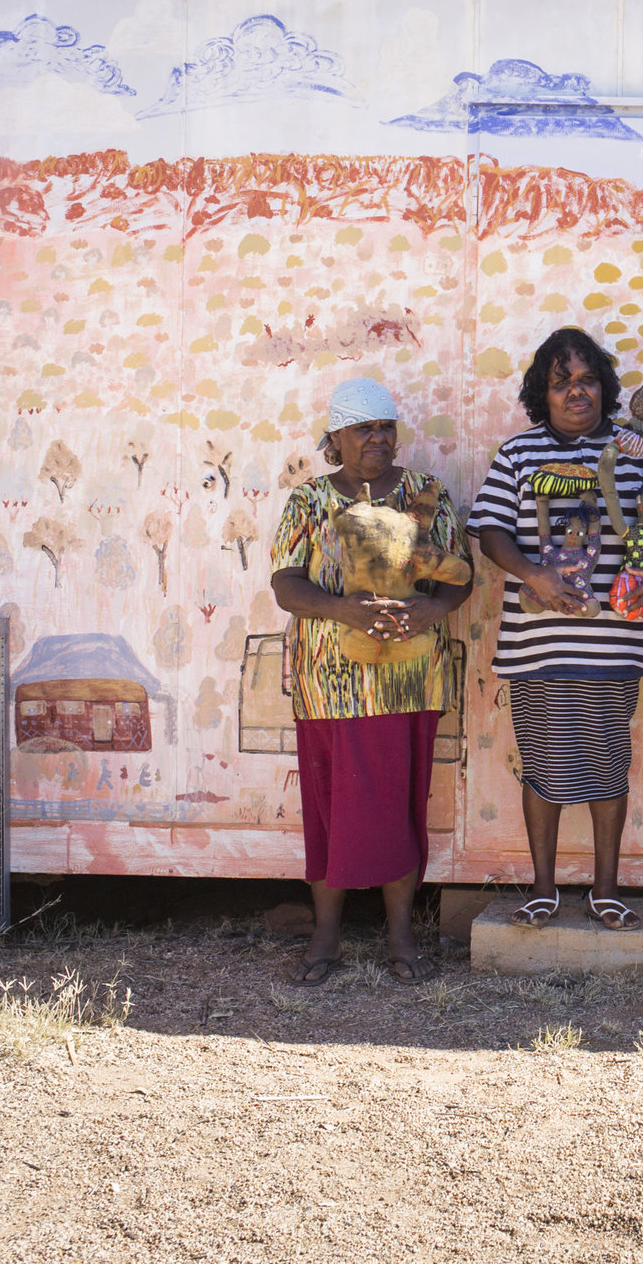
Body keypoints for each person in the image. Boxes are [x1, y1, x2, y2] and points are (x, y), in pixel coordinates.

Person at [469, 328, 643, 931]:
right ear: (544, 393)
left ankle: (605, 890)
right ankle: (543, 890)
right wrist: (532, 574)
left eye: (587, 379)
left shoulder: (639, 451)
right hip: (538, 646)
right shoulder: (518, 455)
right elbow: (489, 530)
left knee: (607, 763)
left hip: (616, 641)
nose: (576, 392)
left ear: (605, 387)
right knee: (543, 763)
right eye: (561, 382)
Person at [268, 378, 471, 985]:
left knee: (400, 803)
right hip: (329, 684)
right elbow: (285, 583)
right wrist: (343, 610)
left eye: (386, 428)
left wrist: (432, 611)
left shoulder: (423, 495)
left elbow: (460, 577)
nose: (378, 439)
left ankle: (401, 935)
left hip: (408, 680)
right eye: (364, 429)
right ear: (336, 438)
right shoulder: (308, 502)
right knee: (329, 807)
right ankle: (325, 936)